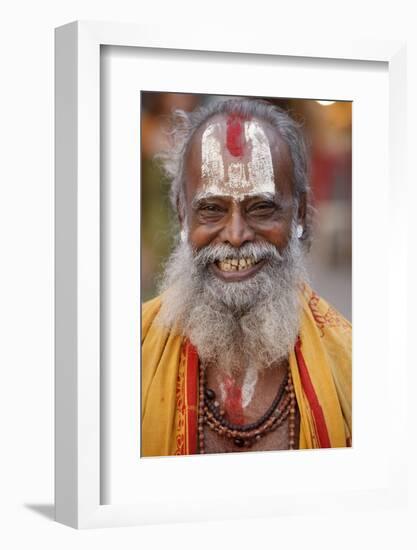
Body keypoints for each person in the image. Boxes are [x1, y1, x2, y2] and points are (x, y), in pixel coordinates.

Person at [141, 98, 351, 457]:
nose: (236, 235)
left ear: (298, 212)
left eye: (261, 207)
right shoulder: (125, 355)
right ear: (182, 215)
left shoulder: (353, 365)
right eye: (211, 209)